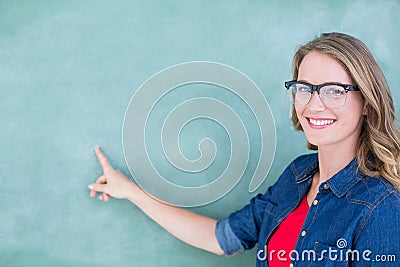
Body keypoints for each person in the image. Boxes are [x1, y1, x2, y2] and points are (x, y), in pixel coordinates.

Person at [88, 32, 400, 266]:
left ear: (366, 102)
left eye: (334, 90)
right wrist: (130, 191)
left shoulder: (382, 206)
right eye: (304, 89)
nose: (314, 104)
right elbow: (221, 237)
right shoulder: (297, 177)